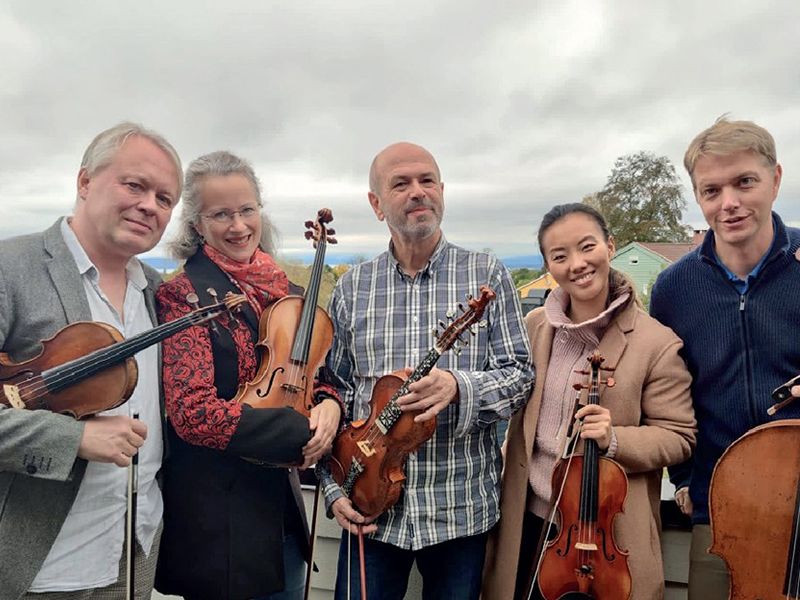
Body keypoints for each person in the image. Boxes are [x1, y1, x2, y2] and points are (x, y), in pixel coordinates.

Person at [317, 142, 534, 599]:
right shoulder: (353, 286)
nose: (418, 192)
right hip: (369, 510)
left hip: (459, 508)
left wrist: (460, 386)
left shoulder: (487, 275)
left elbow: (520, 376)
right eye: (401, 184)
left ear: (442, 192)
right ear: (377, 205)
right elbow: (329, 394)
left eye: (427, 180)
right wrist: (335, 491)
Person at [0, 122, 182, 599]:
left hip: (134, 549)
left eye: (165, 199)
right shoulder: (9, 270)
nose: (150, 205)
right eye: (135, 185)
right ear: (84, 182)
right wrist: (74, 438)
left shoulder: (160, 295)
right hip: (36, 563)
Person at [153, 151, 342, 600]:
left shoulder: (287, 290)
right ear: (197, 224)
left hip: (282, 516)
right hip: (221, 521)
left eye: (246, 210)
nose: (238, 225)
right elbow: (192, 413)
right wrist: (298, 431)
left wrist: (331, 405)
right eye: (220, 214)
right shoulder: (183, 296)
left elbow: (320, 375)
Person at [483, 203, 697, 600]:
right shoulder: (534, 329)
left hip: (606, 536)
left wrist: (615, 439)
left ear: (610, 246)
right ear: (548, 265)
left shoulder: (656, 343)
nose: (577, 264)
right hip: (529, 523)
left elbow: (679, 436)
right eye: (559, 256)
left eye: (587, 247)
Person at [650, 117, 800, 598]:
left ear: (775, 180)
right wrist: (684, 477)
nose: (729, 203)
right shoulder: (674, 288)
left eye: (745, 182)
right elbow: (669, 390)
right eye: (711, 190)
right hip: (720, 501)